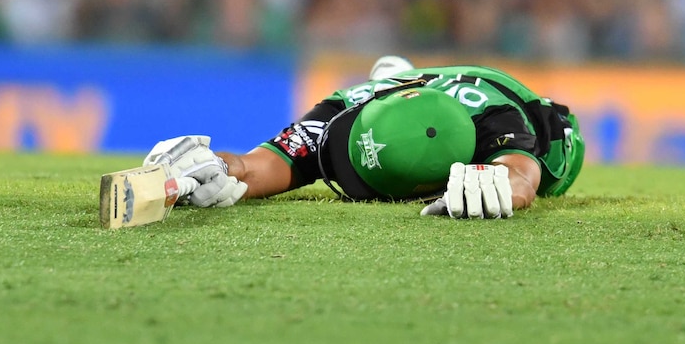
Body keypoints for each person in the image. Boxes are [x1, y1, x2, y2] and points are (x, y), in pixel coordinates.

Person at [143, 57, 585, 219]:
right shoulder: (340, 113)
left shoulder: (502, 122)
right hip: (396, 93)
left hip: (517, 111)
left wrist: (502, 184)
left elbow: (521, 178)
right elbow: (255, 166)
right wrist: (214, 164)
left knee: (556, 171)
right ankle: (394, 78)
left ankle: (395, 72)